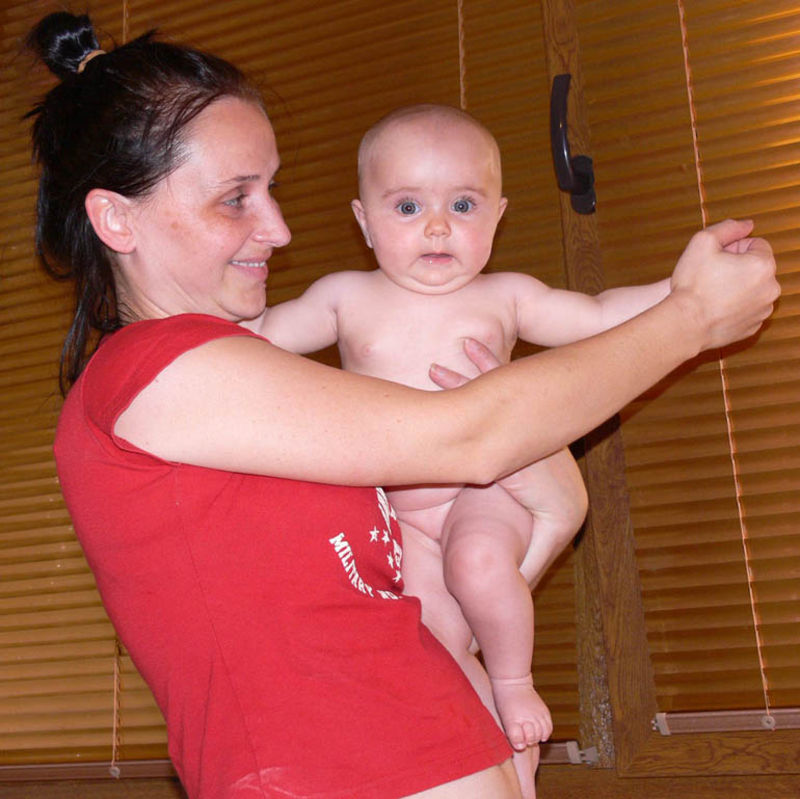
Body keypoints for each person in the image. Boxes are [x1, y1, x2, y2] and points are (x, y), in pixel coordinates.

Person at [26, 11, 778, 799]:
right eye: (235, 198)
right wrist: (690, 318)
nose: (279, 228)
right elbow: (472, 437)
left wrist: (548, 511)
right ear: (116, 218)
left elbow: (438, 569)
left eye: (272, 189)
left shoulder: (247, 382)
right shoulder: (152, 371)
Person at [255, 102, 673, 797]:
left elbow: (599, 316)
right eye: (408, 206)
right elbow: (255, 342)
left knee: (479, 564)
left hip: (486, 494)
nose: (438, 226)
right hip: (397, 517)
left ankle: (515, 683)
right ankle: (509, 761)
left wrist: (682, 291)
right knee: (434, 648)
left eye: (463, 204)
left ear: (498, 217)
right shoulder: (343, 297)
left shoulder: (506, 296)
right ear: (364, 221)